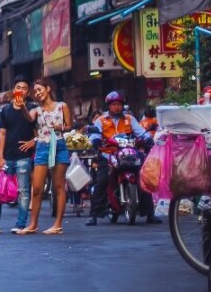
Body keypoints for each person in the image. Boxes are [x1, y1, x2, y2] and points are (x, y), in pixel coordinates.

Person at [86, 91, 159, 225]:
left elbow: (140, 132)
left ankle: (150, 214)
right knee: (101, 182)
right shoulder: (101, 120)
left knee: (144, 177)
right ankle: (93, 216)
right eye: (113, 104)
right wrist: (95, 139)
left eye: (119, 104)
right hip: (108, 154)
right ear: (109, 106)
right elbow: (94, 134)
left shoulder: (130, 119)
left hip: (129, 153)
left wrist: (148, 138)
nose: (117, 107)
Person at [0, 78, 37, 235]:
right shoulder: (5, 110)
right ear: (13, 90)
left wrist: (33, 141)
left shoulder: (32, 108)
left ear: (28, 92)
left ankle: (21, 224)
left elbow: (38, 130)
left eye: (24, 88)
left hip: (24, 156)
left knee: (23, 191)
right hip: (7, 156)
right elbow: (2, 133)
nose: (21, 90)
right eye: (18, 87)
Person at [18, 77, 72, 235]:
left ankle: (58, 224)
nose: (37, 93)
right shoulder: (36, 110)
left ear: (48, 89)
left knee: (59, 186)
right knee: (37, 188)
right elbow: (29, 118)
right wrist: (22, 107)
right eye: (35, 91)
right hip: (42, 147)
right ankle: (33, 224)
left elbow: (69, 126)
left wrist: (61, 126)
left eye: (40, 89)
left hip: (59, 145)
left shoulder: (62, 106)